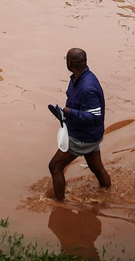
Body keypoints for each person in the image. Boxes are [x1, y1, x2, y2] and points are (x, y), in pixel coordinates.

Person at [48, 48, 111, 200]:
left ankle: (59, 205)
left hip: (83, 136)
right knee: (97, 167)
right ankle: (108, 191)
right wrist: (63, 114)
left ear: (69, 63)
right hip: (89, 133)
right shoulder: (78, 79)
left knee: (55, 166)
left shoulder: (87, 87)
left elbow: (96, 117)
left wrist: (70, 112)